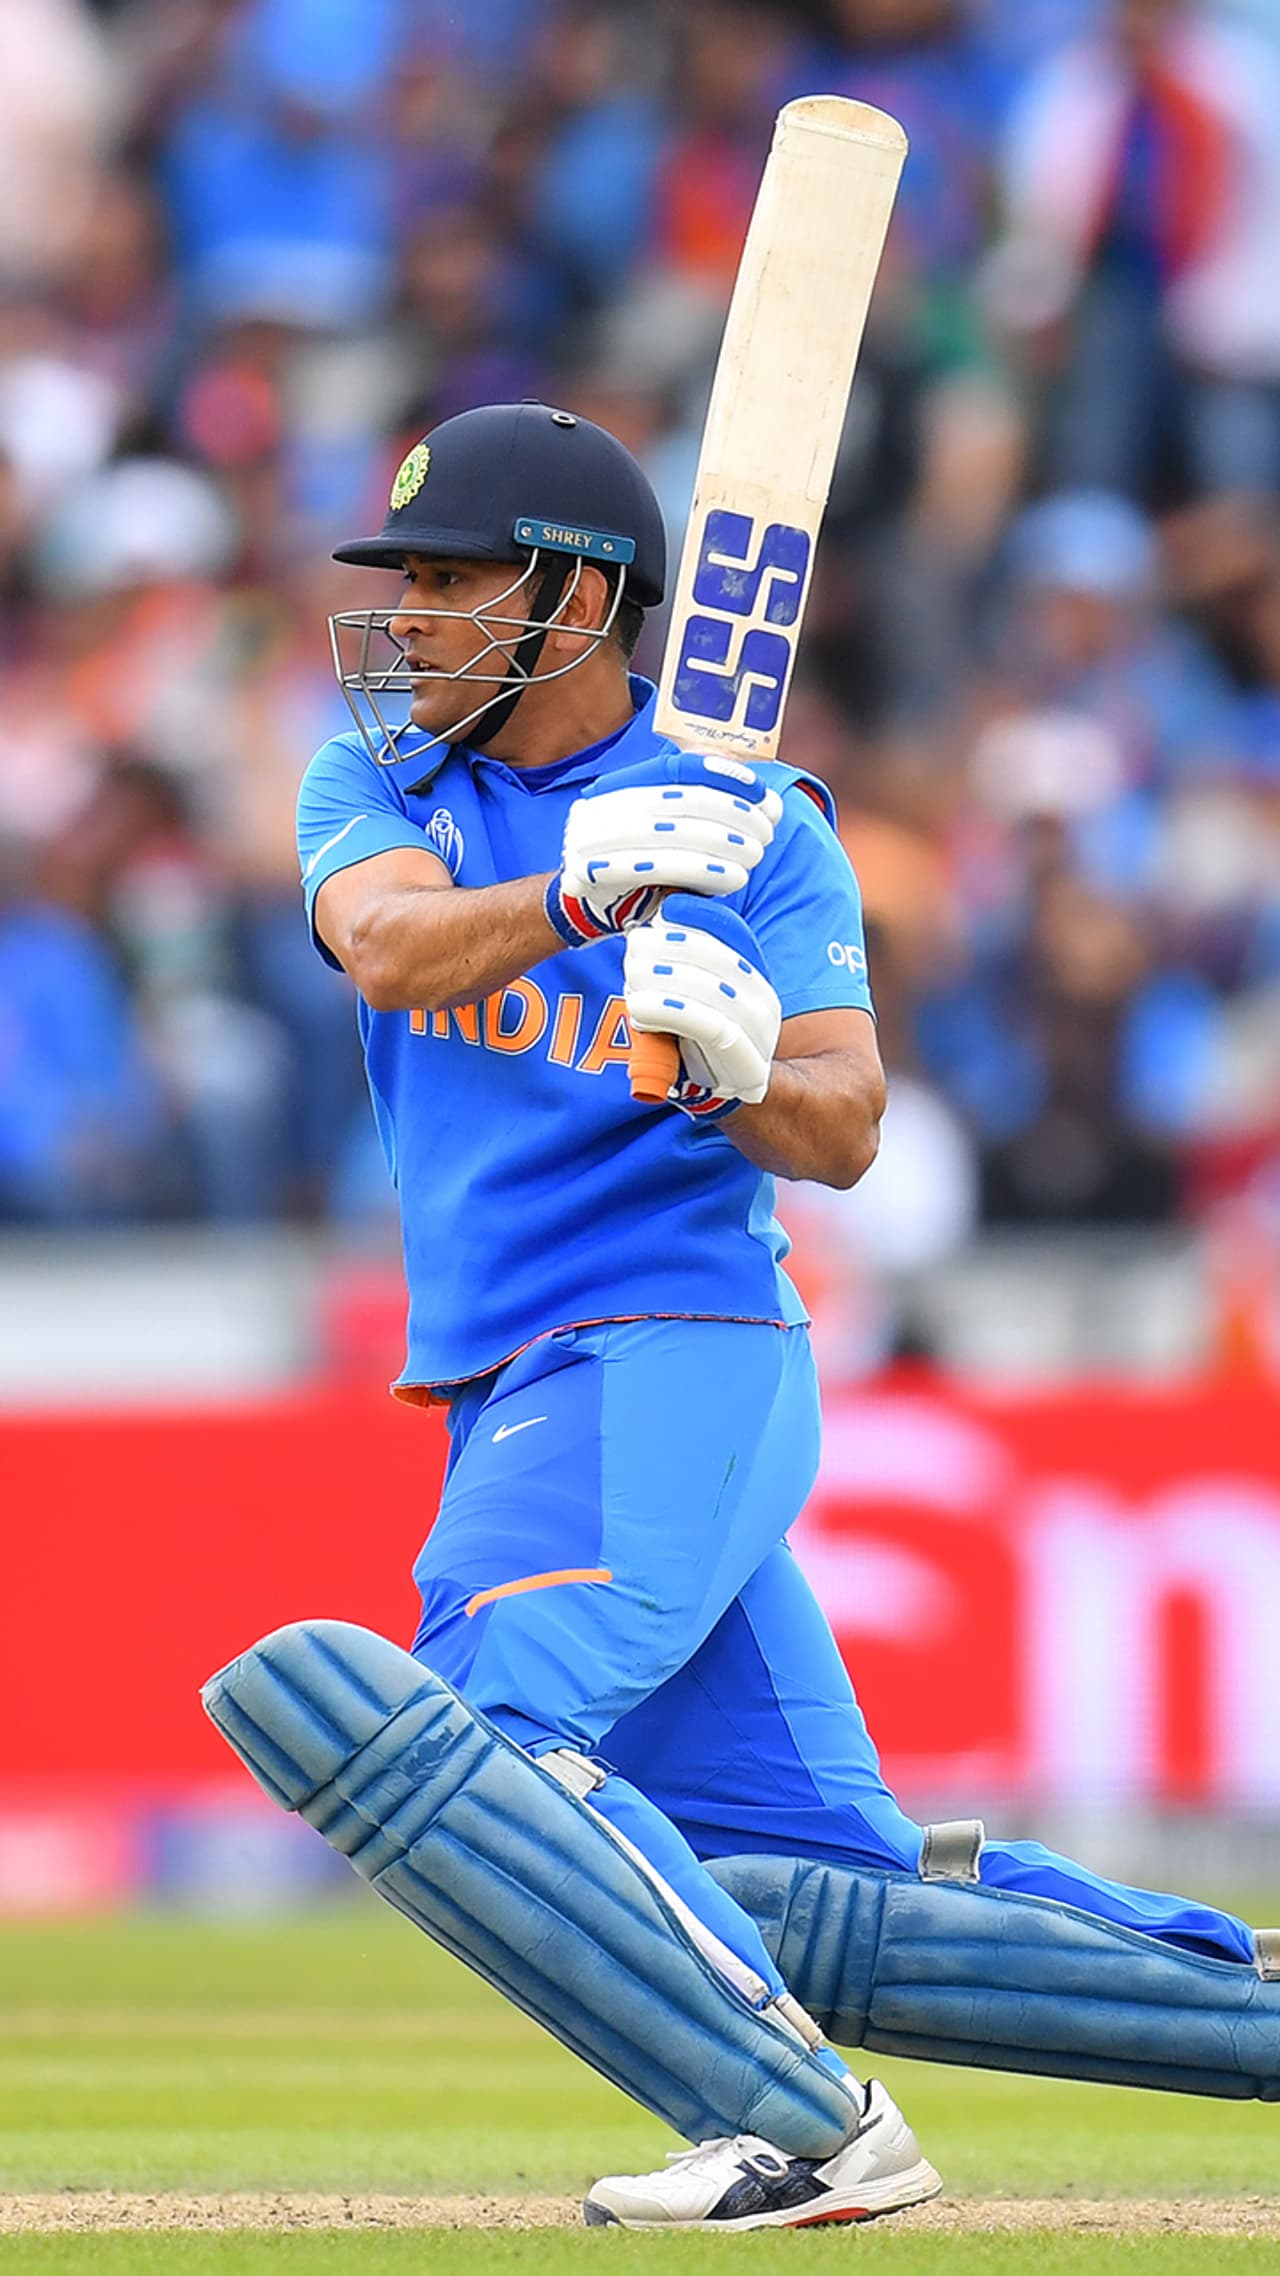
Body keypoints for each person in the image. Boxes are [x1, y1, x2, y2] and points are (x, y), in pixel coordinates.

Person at [280, 402, 1266, 2230]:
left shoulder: (766, 827)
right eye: (400, 577)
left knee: (489, 1732)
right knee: (837, 1883)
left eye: (446, 578)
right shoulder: (385, 785)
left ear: (575, 601)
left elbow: (849, 1123)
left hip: (667, 1345)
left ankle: (800, 2124)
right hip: (519, 1373)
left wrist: (739, 1074)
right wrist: (585, 889)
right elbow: (395, 951)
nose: (403, 614)